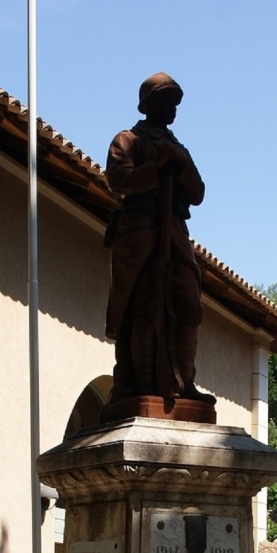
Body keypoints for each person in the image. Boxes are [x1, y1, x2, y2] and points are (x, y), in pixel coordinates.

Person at [104, 72, 215, 405]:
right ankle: (140, 385)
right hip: (139, 233)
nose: (173, 108)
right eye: (167, 101)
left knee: (188, 306)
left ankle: (184, 381)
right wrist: (155, 168)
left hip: (175, 231)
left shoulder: (177, 147)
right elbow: (117, 179)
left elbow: (197, 193)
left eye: (175, 102)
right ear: (149, 105)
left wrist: (178, 164)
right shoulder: (128, 140)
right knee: (141, 308)